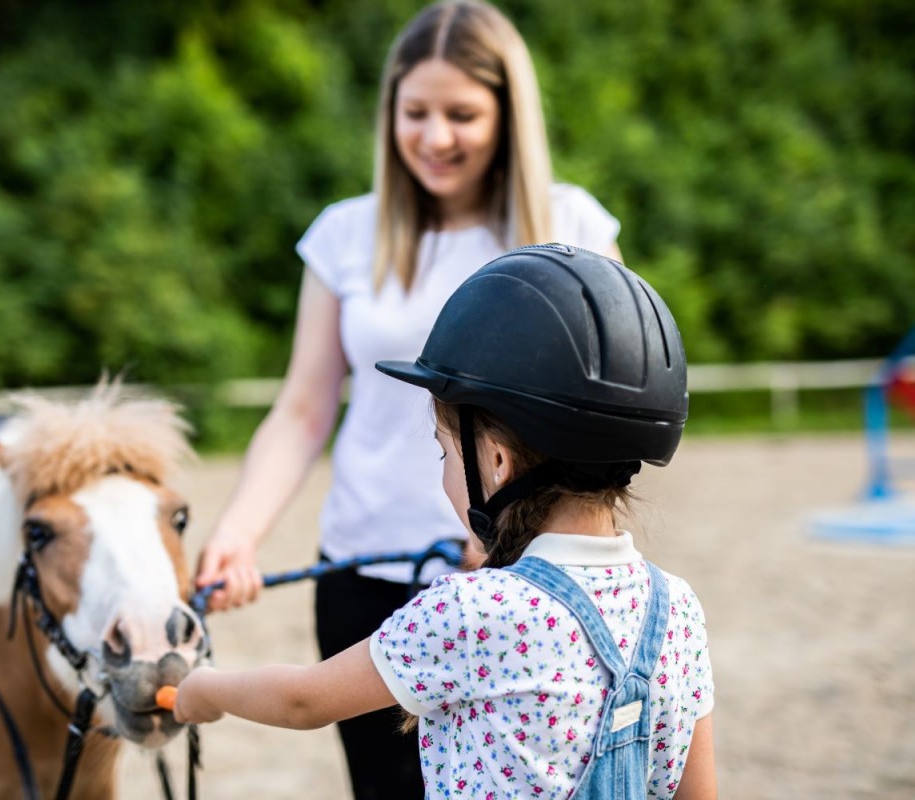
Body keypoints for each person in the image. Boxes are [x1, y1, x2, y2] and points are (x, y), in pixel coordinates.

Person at [195, 2, 625, 797]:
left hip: (524, 581)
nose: (434, 137)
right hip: (365, 574)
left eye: (462, 113)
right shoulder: (344, 236)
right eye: (415, 112)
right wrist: (238, 532)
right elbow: (303, 407)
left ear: (508, 115)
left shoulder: (570, 225)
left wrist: (510, 538)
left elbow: (604, 411)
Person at [177, 246, 717, 799]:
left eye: (444, 453)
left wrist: (205, 691)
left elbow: (303, 699)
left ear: (499, 462)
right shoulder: (677, 608)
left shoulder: (469, 611)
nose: (444, 473)